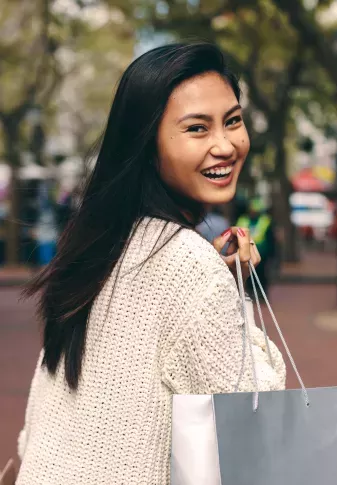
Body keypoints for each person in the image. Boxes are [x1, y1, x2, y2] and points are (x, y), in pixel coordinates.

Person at [17, 43, 286, 485]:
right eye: (197, 128)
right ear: (147, 144)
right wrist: (231, 292)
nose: (225, 145)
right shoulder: (190, 264)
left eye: (232, 121)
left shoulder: (100, 243)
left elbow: (41, 412)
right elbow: (256, 408)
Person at [237, 198, 277, 295]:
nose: (253, 213)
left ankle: (262, 293)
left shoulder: (265, 221)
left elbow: (271, 238)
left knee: (262, 275)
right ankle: (251, 292)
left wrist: (272, 253)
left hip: (262, 253)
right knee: (249, 275)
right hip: (247, 253)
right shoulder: (242, 220)